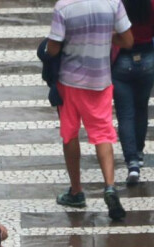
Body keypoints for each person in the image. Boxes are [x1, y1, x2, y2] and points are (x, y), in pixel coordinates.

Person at [46, 0, 134, 221]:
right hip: (100, 81)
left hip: (69, 82)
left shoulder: (64, 7)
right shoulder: (113, 3)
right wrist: (106, 38)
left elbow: (53, 48)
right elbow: (128, 40)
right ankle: (110, 187)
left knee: (70, 134)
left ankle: (76, 191)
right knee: (103, 134)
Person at [113, 0, 154, 186]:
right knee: (141, 107)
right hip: (147, 58)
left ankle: (132, 162)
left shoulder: (117, 2)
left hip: (121, 60)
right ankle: (139, 154)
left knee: (125, 114)